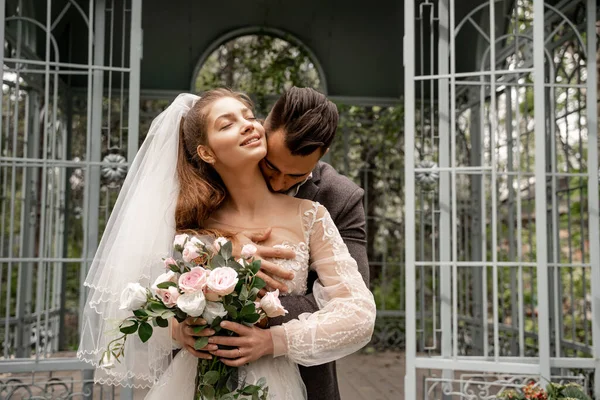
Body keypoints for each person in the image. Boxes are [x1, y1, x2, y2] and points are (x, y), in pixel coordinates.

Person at [77, 90, 376, 399]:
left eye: (247, 116)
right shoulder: (190, 221)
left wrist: (269, 334)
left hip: (290, 379)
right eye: (227, 123)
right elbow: (145, 304)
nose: (278, 182)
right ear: (206, 152)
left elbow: (357, 309)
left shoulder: (319, 211)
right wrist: (180, 329)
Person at [174, 87, 369, 400]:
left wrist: (262, 326)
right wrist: (220, 256)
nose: (278, 184)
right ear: (265, 131)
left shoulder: (330, 203)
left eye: (294, 176)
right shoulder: (193, 210)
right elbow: (155, 296)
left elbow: (351, 307)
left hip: (297, 377)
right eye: (272, 167)